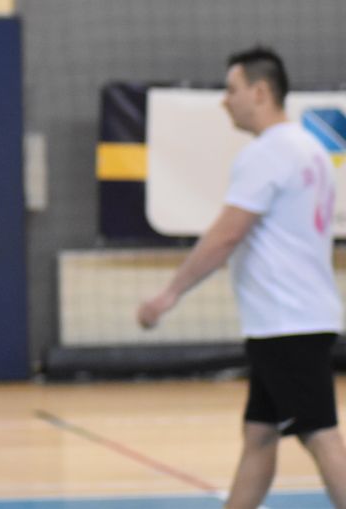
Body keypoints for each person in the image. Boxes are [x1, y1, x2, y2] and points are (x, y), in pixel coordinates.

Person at [137, 46, 346, 509]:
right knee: (260, 435)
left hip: (286, 322)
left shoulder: (268, 154)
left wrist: (169, 294)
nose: (224, 100)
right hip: (295, 317)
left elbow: (226, 235)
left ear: (260, 92)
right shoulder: (311, 148)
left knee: (321, 436)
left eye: (231, 90)